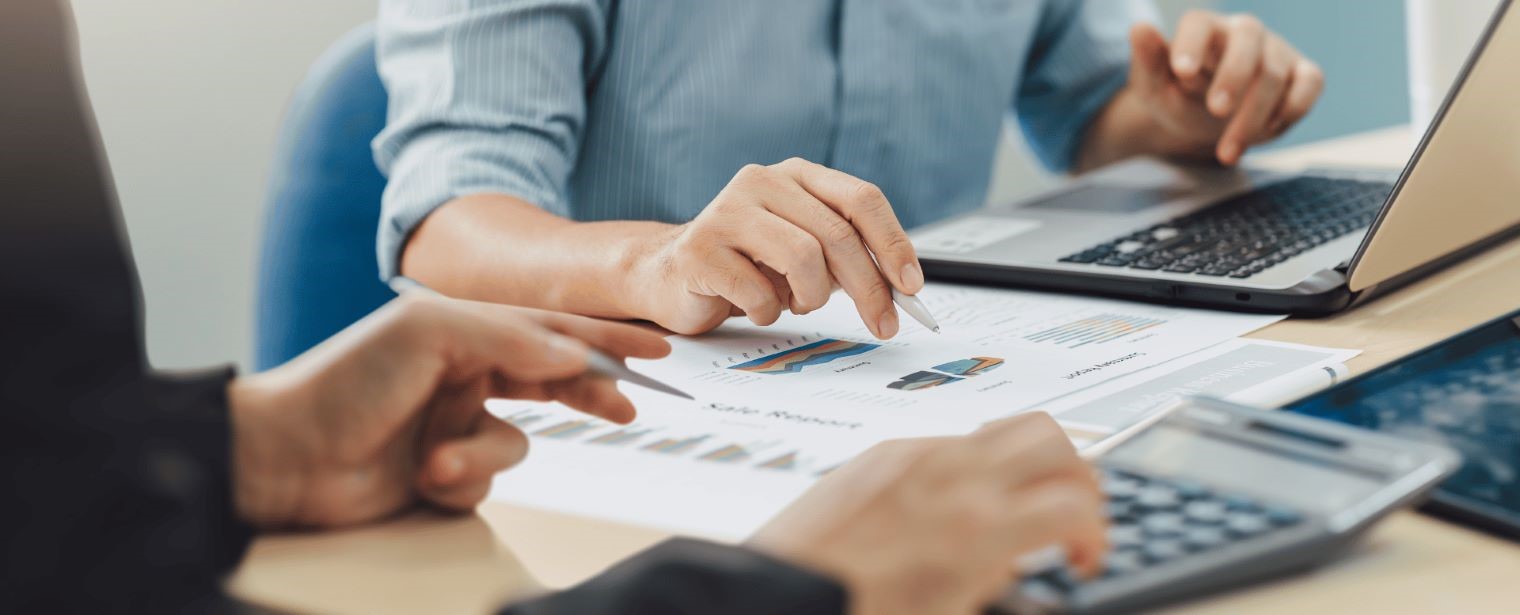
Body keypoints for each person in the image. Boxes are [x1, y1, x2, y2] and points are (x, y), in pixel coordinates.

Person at [0, 2, 1105, 612]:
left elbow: (53, 514)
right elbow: (449, 206)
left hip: (910, 402)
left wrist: (223, 449)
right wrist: (771, 598)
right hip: (635, 473)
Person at [374, 1, 1324, 339]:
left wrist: (1171, 116)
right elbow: (444, 225)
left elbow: (1084, 120)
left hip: (942, 365)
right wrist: (658, 264)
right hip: (653, 396)